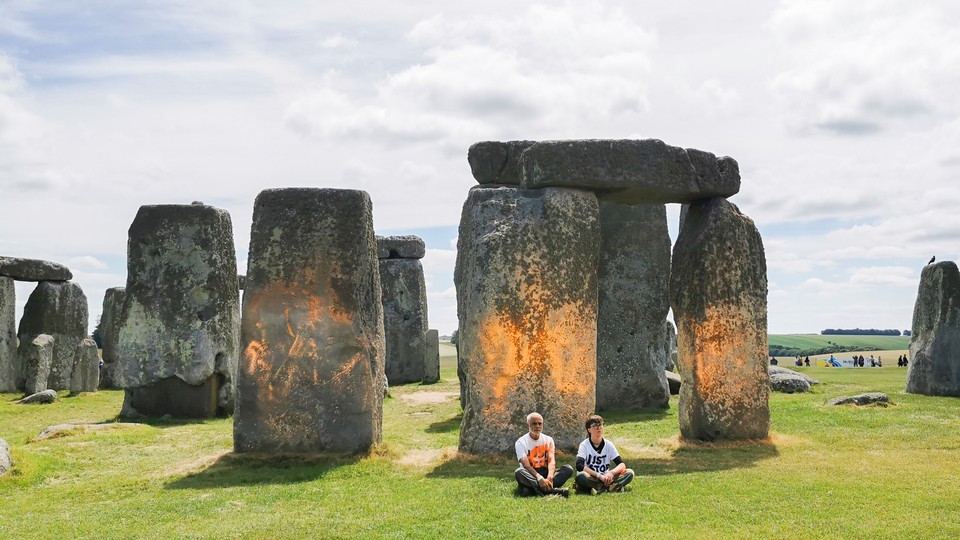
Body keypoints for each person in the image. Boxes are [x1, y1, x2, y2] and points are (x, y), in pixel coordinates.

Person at [514, 412, 573, 497]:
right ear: (528, 425)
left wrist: (549, 477)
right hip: (531, 474)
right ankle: (553, 490)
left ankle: (531, 489)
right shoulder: (521, 442)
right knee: (519, 472)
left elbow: (551, 461)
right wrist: (539, 478)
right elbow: (526, 465)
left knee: (568, 469)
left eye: (540, 423)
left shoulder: (548, 440)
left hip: (545, 472)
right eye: (534, 423)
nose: (537, 426)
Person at [575, 415, 634, 495]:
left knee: (630, 473)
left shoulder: (608, 444)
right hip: (592, 476)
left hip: (607, 477)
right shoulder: (584, 445)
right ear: (589, 430)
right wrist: (599, 476)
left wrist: (611, 473)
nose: (598, 428)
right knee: (581, 475)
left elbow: (621, 464)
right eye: (595, 426)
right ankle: (610, 487)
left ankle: (597, 488)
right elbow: (579, 465)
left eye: (600, 425)